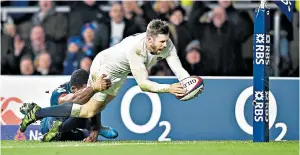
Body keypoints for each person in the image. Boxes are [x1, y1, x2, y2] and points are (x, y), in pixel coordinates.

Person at [20, 19, 202, 141]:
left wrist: (187, 83)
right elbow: (144, 84)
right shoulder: (136, 50)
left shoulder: (167, 45)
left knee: (91, 110)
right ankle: (38, 114)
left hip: (121, 73)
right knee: (86, 109)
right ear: (149, 39)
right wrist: (169, 88)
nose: (165, 45)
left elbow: (178, 69)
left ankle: (42, 114)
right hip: (105, 66)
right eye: (161, 41)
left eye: (166, 40)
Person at [20, 69, 118, 142]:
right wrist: (91, 90)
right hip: (49, 124)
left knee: (88, 112)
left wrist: (94, 131)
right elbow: (69, 99)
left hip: (69, 129)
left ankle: (94, 129)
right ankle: (41, 115)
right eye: (84, 89)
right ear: (73, 88)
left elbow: (95, 107)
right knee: (76, 108)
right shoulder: (59, 93)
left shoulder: (83, 91)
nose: (87, 92)